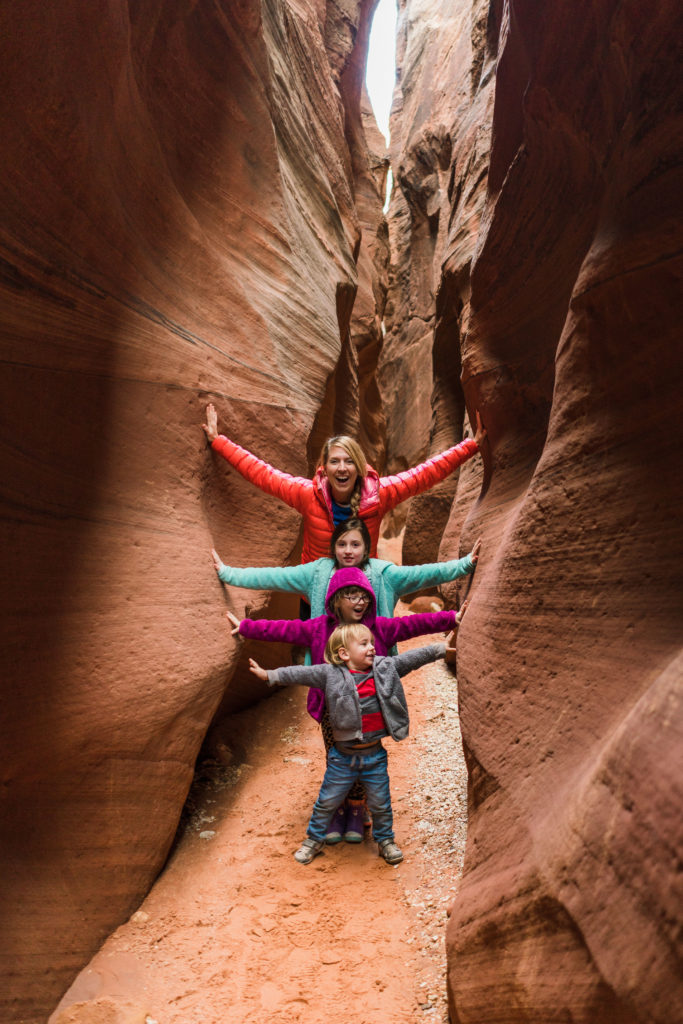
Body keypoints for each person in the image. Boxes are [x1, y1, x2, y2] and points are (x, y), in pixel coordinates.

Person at [226, 566, 463, 843]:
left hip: (370, 707)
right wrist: (246, 627)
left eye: (364, 595)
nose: (359, 601)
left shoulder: (379, 628)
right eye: (351, 595)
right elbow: (284, 629)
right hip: (331, 709)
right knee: (338, 758)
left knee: (367, 755)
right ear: (336, 600)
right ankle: (338, 808)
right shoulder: (319, 628)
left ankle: (356, 808)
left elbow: (413, 625)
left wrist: (451, 618)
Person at [247, 621, 462, 865]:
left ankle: (385, 841)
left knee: (381, 804)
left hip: (374, 757)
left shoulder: (384, 667)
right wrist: (269, 675)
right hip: (342, 758)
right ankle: (313, 840)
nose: (372, 647)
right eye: (364, 644)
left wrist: (439, 649)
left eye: (371, 642)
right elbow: (299, 673)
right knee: (326, 802)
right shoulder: (329, 674)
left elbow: (412, 658)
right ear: (344, 653)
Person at [202, 403, 486, 562]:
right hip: (317, 592)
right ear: (324, 468)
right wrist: (218, 442)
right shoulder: (306, 494)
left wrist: (470, 446)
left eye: (349, 461)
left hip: (361, 591)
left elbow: (425, 474)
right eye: (335, 461)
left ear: (360, 468)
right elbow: (263, 474)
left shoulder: (379, 494)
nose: (342, 467)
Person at [212, 516, 481, 643]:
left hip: (372, 664)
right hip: (328, 668)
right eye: (342, 544)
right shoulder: (317, 572)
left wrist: (465, 565)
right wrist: (228, 573)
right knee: (335, 737)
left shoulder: (384, 574)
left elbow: (427, 573)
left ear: (366, 547)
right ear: (333, 547)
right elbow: (273, 577)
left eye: (355, 545)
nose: (348, 551)